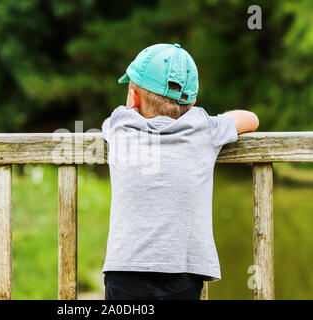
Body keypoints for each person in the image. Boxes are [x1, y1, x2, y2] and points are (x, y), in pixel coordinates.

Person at [101, 43, 259, 300]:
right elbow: (250, 119)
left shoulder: (120, 124)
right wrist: (204, 118)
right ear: (193, 100)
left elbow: (107, 123)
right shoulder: (204, 127)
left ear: (133, 96)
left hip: (125, 270)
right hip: (183, 273)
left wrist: (133, 109)